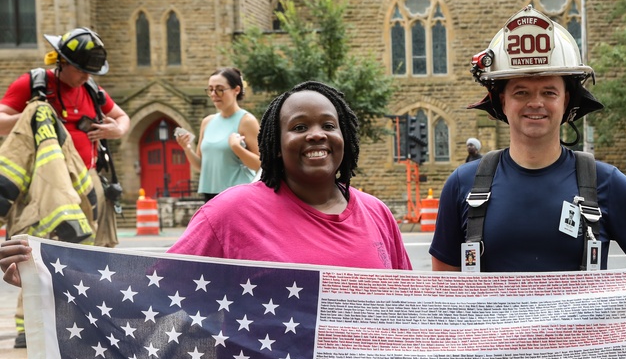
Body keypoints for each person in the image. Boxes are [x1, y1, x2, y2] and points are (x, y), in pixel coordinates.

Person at [2, 80, 411, 286]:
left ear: (346, 137)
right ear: (273, 143)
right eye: (299, 126)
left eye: (329, 125)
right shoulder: (231, 212)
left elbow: (411, 311)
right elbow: (152, 286)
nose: (316, 135)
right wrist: (50, 277)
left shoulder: (376, 213)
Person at [430, 5, 626, 273]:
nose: (536, 103)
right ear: (502, 101)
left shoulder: (606, 184)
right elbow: (445, 294)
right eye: (521, 93)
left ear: (567, 101)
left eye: (549, 92)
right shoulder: (463, 186)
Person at [0, 26, 130, 347]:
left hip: (87, 182)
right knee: (34, 249)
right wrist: (34, 114)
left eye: (90, 72)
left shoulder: (92, 91)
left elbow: (122, 119)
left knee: (88, 253)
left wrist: (115, 130)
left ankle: (82, 316)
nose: (86, 77)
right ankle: (27, 325)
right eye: (81, 70)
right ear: (61, 61)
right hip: (41, 187)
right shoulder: (33, 84)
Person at [175, 67, 260, 200]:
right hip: (210, 194)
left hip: (238, 195)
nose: (214, 94)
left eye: (220, 89)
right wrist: (187, 148)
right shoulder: (207, 122)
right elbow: (202, 166)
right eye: (210, 89)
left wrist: (237, 148)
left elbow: (261, 165)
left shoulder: (247, 121)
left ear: (236, 90)